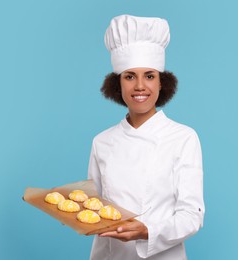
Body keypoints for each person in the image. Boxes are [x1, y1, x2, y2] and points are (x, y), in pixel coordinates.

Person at [87, 14, 205, 260]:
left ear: (162, 83)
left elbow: (192, 215)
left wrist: (147, 230)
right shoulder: (102, 141)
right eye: (129, 76)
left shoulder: (183, 137)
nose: (140, 86)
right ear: (117, 85)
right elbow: (93, 207)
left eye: (149, 76)